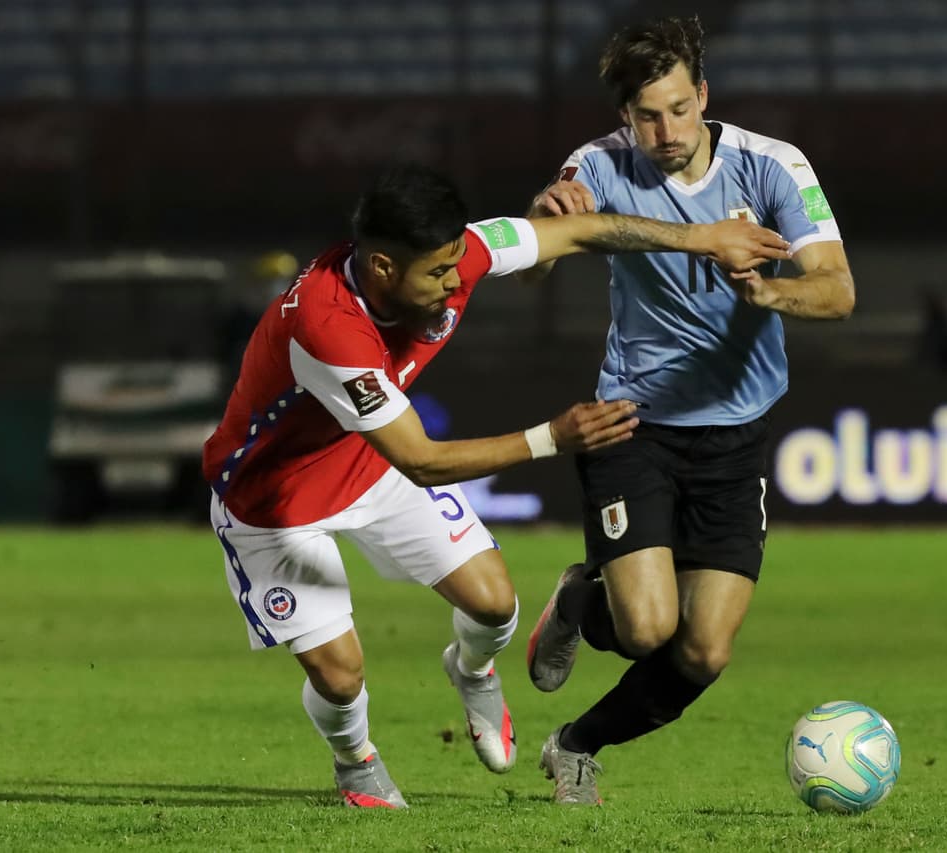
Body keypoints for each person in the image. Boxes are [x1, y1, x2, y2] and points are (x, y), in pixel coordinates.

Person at [201, 163, 789, 809]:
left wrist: (701, 236)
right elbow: (421, 460)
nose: (457, 281)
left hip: (365, 465)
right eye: (438, 272)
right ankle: (355, 760)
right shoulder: (326, 325)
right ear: (382, 269)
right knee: (340, 675)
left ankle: (472, 669)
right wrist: (552, 438)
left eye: (458, 261)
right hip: (275, 501)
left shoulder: (462, 255)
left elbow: (578, 231)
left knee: (493, 603)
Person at [519, 16, 857, 805]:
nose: (665, 131)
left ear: (702, 95)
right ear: (623, 118)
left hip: (734, 439)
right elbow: (531, 267)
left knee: (702, 650)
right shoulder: (597, 167)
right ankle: (586, 598)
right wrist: (547, 212)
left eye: (678, 108)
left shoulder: (774, 166)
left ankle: (576, 742)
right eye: (646, 115)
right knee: (643, 629)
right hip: (629, 424)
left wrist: (770, 292)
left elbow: (838, 290)